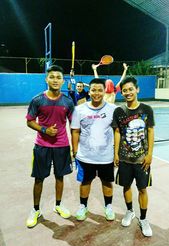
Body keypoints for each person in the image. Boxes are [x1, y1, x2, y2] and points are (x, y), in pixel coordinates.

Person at [26, 65, 74, 228]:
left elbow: (73, 124)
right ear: (46, 79)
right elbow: (30, 121)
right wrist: (45, 130)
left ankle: (58, 205)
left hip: (62, 146)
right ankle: (36, 210)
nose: (55, 80)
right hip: (42, 146)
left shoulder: (67, 101)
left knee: (60, 177)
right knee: (39, 179)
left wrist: (75, 148)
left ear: (62, 80)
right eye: (52, 77)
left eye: (58, 77)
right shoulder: (38, 100)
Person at [112, 76, 155, 237]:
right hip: (124, 158)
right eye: (125, 90)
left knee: (142, 189)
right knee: (126, 186)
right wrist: (116, 153)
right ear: (121, 93)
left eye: (131, 89)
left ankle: (143, 219)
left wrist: (149, 154)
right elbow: (117, 132)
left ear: (137, 89)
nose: (128, 92)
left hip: (141, 159)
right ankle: (130, 211)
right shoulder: (119, 111)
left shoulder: (146, 110)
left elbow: (150, 131)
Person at [71, 78, 116, 221]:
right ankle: (83, 206)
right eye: (93, 90)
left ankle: (108, 207)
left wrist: (116, 153)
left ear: (104, 91)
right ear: (89, 92)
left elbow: (117, 132)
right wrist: (75, 152)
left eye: (100, 90)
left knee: (107, 182)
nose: (96, 93)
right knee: (85, 182)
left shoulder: (113, 109)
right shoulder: (79, 109)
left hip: (106, 156)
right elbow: (75, 131)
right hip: (85, 156)